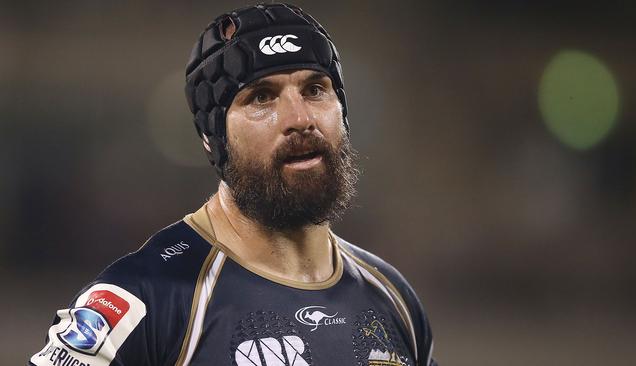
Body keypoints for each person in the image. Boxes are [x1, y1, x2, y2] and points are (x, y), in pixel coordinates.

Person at [29, 3, 437, 366]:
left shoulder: (393, 299)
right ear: (214, 137)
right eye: (261, 98)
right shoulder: (146, 300)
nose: (299, 118)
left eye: (315, 90)